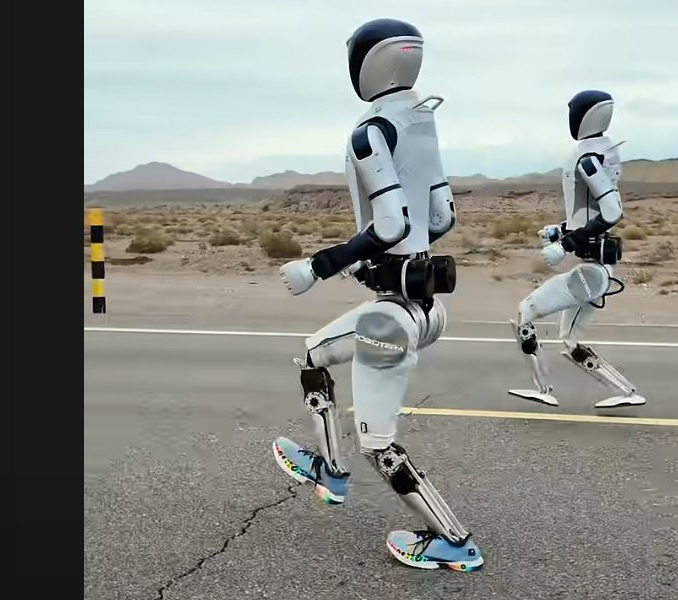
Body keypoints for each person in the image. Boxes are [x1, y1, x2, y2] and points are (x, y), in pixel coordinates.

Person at [272, 18, 483, 572]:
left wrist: (316, 267)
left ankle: (455, 542)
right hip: (426, 305)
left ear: (366, 63)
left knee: (379, 444)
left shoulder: (371, 131)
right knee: (314, 356)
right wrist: (388, 258)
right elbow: (441, 217)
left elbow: (389, 225)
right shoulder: (421, 123)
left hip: (390, 319)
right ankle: (329, 470)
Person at [509, 90, 647, 409]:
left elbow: (611, 213)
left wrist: (564, 246)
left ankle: (543, 388)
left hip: (589, 272)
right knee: (570, 340)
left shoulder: (588, 160)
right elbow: (589, 216)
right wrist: (560, 231)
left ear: (583, 116)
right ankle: (627, 393)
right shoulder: (599, 154)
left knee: (525, 313)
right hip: (595, 271)